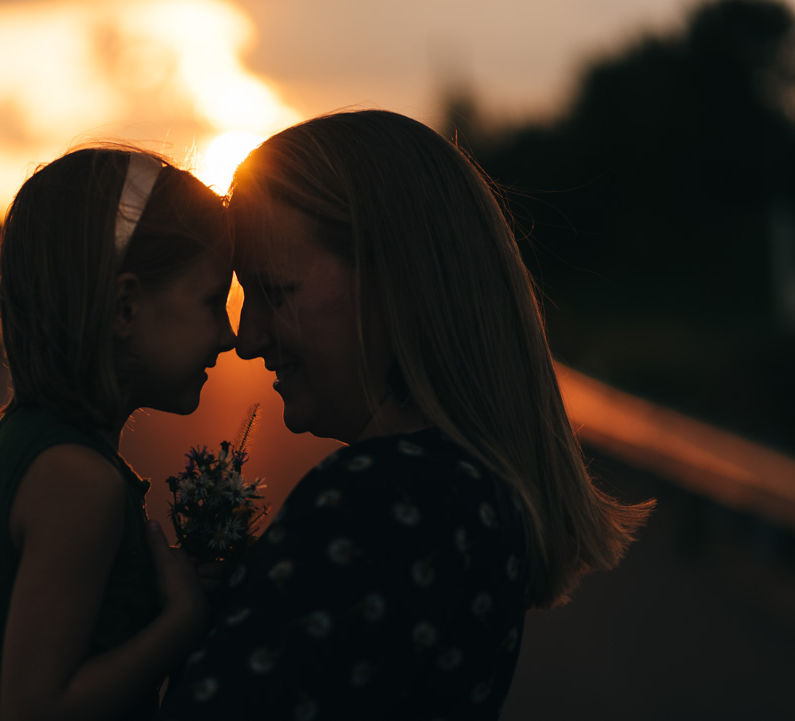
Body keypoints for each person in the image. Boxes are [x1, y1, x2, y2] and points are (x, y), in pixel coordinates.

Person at [157, 109, 654, 720]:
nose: (249, 338)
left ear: (396, 282)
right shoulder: (466, 491)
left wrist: (170, 626)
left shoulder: (383, 498)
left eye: (276, 292)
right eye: (241, 298)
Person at [0, 146, 237, 721]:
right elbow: (36, 708)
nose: (228, 336)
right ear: (125, 306)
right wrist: (182, 624)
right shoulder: (78, 480)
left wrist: (153, 589)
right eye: (211, 301)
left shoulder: (35, 444)